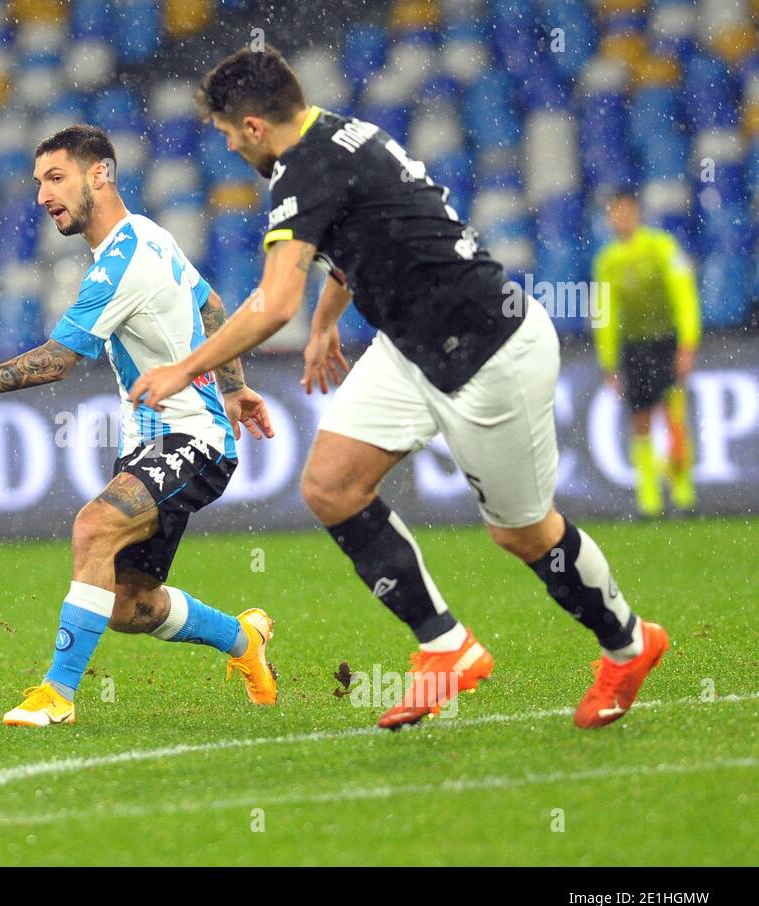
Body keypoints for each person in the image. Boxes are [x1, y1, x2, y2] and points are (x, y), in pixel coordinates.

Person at [129, 47, 669, 730]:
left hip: (489, 353)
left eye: (229, 132)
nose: (231, 145)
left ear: (255, 126)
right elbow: (362, 245)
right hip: (413, 347)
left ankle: (628, 643)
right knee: (330, 485)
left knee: (524, 535)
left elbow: (271, 303)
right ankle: (446, 647)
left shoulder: (307, 170)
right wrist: (327, 324)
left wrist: (184, 369)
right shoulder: (342, 134)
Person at [0, 124, 278, 727]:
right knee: (129, 606)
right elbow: (210, 304)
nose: (42, 195)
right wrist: (237, 386)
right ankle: (243, 640)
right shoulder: (149, 234)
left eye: (56, 178)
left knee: (93, 527)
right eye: (39, 182)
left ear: (101, 175)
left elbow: (56, 361)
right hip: (151, 441)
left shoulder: (123, 259)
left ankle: (57, 694)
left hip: (193, 439)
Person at [592, 190, 700, 516]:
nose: (619, 218)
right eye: (613, 213)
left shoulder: (661, 247)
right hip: (635, 346)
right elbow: (605, 314)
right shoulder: (607, 261)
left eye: (624, 211)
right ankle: (649, 501)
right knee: (640, 420)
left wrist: (687, 342)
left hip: (665, 342)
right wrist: (608, 360)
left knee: (673, 416)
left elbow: (683, 295)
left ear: (636, 212)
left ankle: (683, 496)